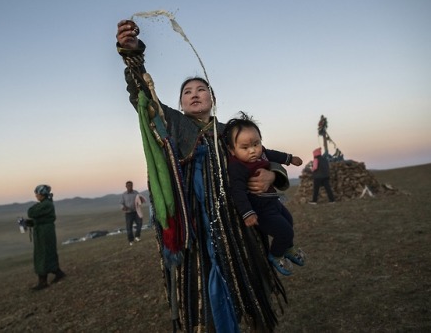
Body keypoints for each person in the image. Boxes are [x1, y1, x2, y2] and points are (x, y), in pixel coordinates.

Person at [116, 20, 291, 332]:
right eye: (187, 92)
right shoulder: (174, 125)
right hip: (196, 228)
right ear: (181, 103)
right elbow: (142, 95)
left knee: (252, 286)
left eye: (201, 90)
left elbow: (262, 157)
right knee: (204, 296)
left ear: (212, 98)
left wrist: (270, 175)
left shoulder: (231, 132)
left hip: (240, 222)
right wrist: (133, 56)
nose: (194, 94)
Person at [224, 112, 305, 276]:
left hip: (273, 201)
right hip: (260, 209)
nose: (253, 151)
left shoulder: (262, 153)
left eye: (256, 144)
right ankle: (276, 255)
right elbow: (237, 192)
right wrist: (247, 213)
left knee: (289, 221)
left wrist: (290, 158)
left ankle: (288, 249)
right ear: (232, 150)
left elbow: (274, 154)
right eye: (245, 148)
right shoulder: (237, 166)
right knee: (284, 232)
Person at [26, 184, 65, 291]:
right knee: (47, 253)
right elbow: (41, 218)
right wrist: (31, 223)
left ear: (42, 194)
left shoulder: (46, 204)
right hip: (44, 232)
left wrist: (34, 219)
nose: (36, 196)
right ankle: (59, 273)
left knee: (43, 254)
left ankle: (42, 282)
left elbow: (31, 212)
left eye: (37, 193)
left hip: (45, 233)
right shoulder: (45, 204)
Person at [120, 181, 144, 245]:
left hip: (136, 211)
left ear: (132, 185)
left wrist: (141, 199)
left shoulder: (136, 193)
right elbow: (121, 203)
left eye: (131, 185)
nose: (130, 186)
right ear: (126, 186)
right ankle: (131, 240)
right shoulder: (123, 195)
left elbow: (140, 200)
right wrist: (123, 207)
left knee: (140, 223)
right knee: (129, 227)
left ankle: (137, 236)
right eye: (128, 185)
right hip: (128, 213)